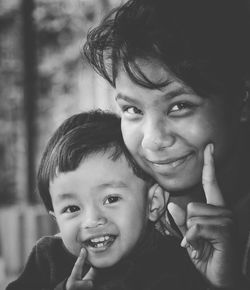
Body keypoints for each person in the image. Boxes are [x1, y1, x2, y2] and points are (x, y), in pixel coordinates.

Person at [83, 0, 250, 289]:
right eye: (133, 110)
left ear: (241, 100)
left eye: (179, 106)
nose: (153, 140)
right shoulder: (106, 228)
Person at [6, 110, 207, 290]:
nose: (92, 220)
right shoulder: (49, 259)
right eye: (72, 208)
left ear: (153, 202)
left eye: (111, 199)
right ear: (56, 218)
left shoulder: (174, 260)